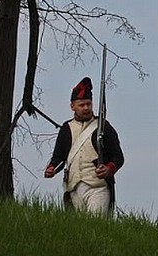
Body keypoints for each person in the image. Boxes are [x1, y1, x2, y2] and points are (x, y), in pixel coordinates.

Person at [44, 77, 124, 215]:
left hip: (98, 187)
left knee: (96, 224)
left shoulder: (103, 127)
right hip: (73, 187)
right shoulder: (66, 128)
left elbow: (118, 156)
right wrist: (52, 168)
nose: (86, 108)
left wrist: (109, 169)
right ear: (72, 106)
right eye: (82, 105)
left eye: (88, 104)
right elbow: (59, 157)